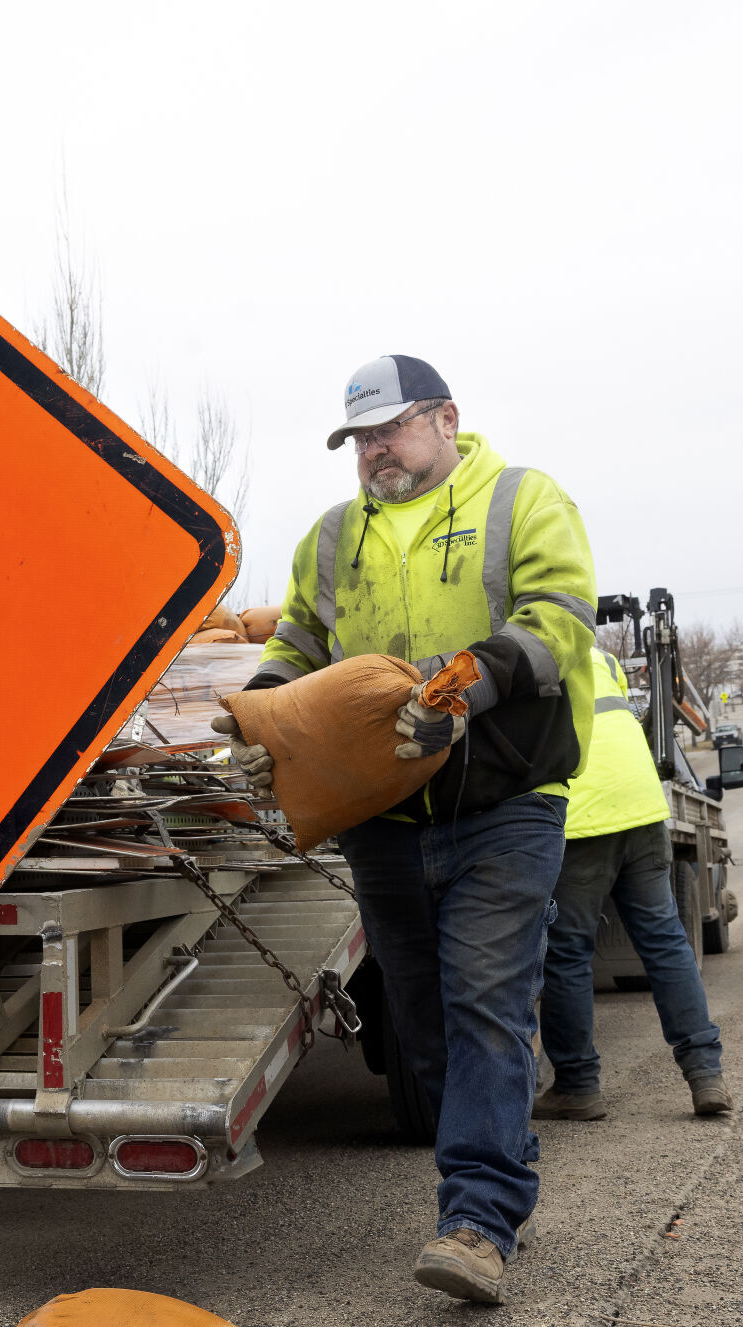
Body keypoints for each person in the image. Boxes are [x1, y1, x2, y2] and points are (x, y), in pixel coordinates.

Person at [212, 354, 596, 1305]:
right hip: (381, 817)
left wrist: (460, 689)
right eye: (358, 439)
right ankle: (502, 1152)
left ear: (444, 419)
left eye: (389, 429)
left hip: (504, 805)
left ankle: (476, 1219)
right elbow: (298, 640)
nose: (373, 451)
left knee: (485, 1005)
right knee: (422, 1025)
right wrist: (262, 714)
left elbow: (560, 617)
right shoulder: (334, 534)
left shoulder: (520, 499)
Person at [534, 645, 732, 1120]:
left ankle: (578, 1086)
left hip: (583, 812)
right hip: (641, 804)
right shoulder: (600, 655)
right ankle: (706, 1076)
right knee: (665, 943)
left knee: (568, 953)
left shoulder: (521, 651)